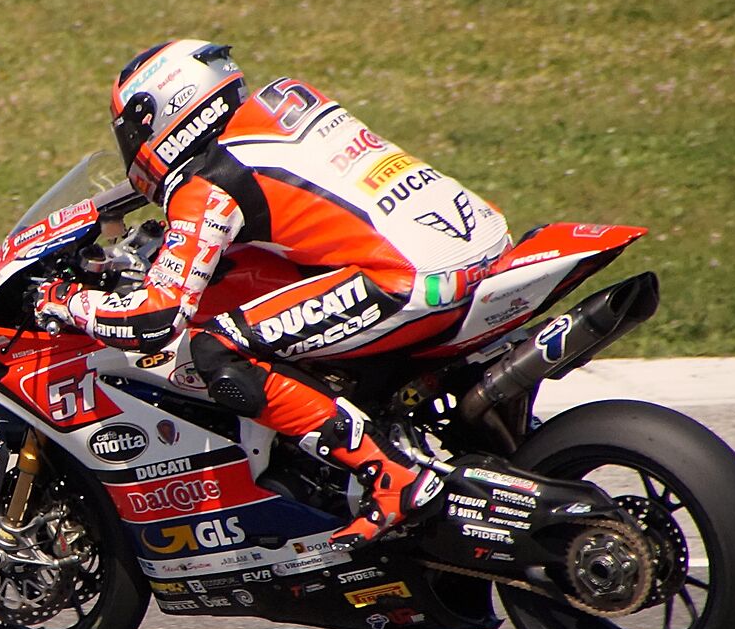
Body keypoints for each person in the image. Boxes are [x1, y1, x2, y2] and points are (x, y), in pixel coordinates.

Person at [32, 39, 514, 548]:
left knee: (215, 346)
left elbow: (159, 315)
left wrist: (61, 301)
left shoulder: (208, 182)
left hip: (415, 279)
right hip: (483, 241)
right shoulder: (286, 101)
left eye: (131, 131)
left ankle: (390, 475)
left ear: (161, 115)